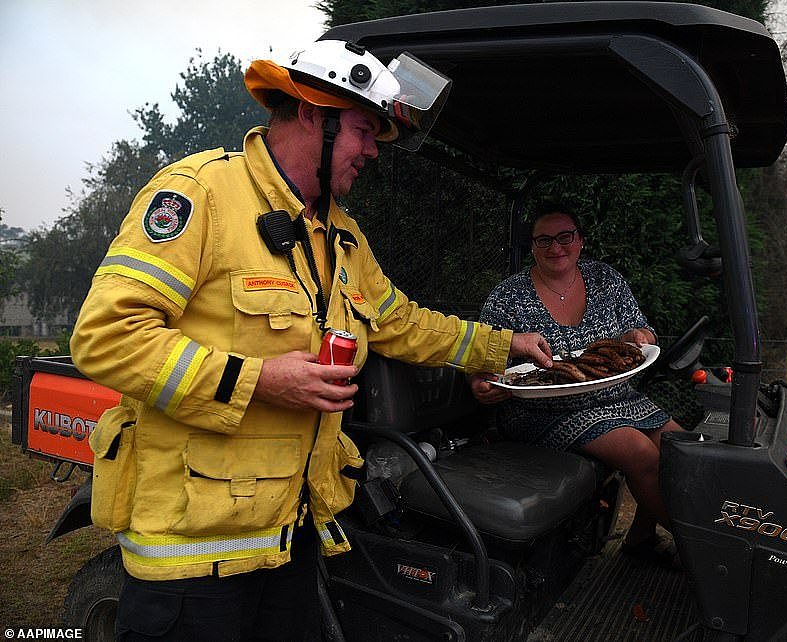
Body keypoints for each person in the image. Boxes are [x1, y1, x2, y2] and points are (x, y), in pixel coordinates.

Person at [70, 39, 552, 640]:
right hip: (192, 557)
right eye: (363, 132)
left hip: (291, 536)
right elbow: (107, 337)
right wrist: (261, 380)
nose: (373, 151)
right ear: (311, 115)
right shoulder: (200, 194)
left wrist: (505, 345)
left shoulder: (339, 233)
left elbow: (400, 321)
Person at [469, 204, 683, 567]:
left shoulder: (606, 280)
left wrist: (638, 335)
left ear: (580, 240)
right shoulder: (508, 296)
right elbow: (483, 361)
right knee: (641, 453)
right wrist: (479, 383)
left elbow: (642, 330)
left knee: (682, 450)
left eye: (565, 237)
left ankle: (641, 537)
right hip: (541, 411)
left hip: (617, 397)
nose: (556, 248)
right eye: (544, 240)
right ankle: (702, 554)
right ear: (532, 247)